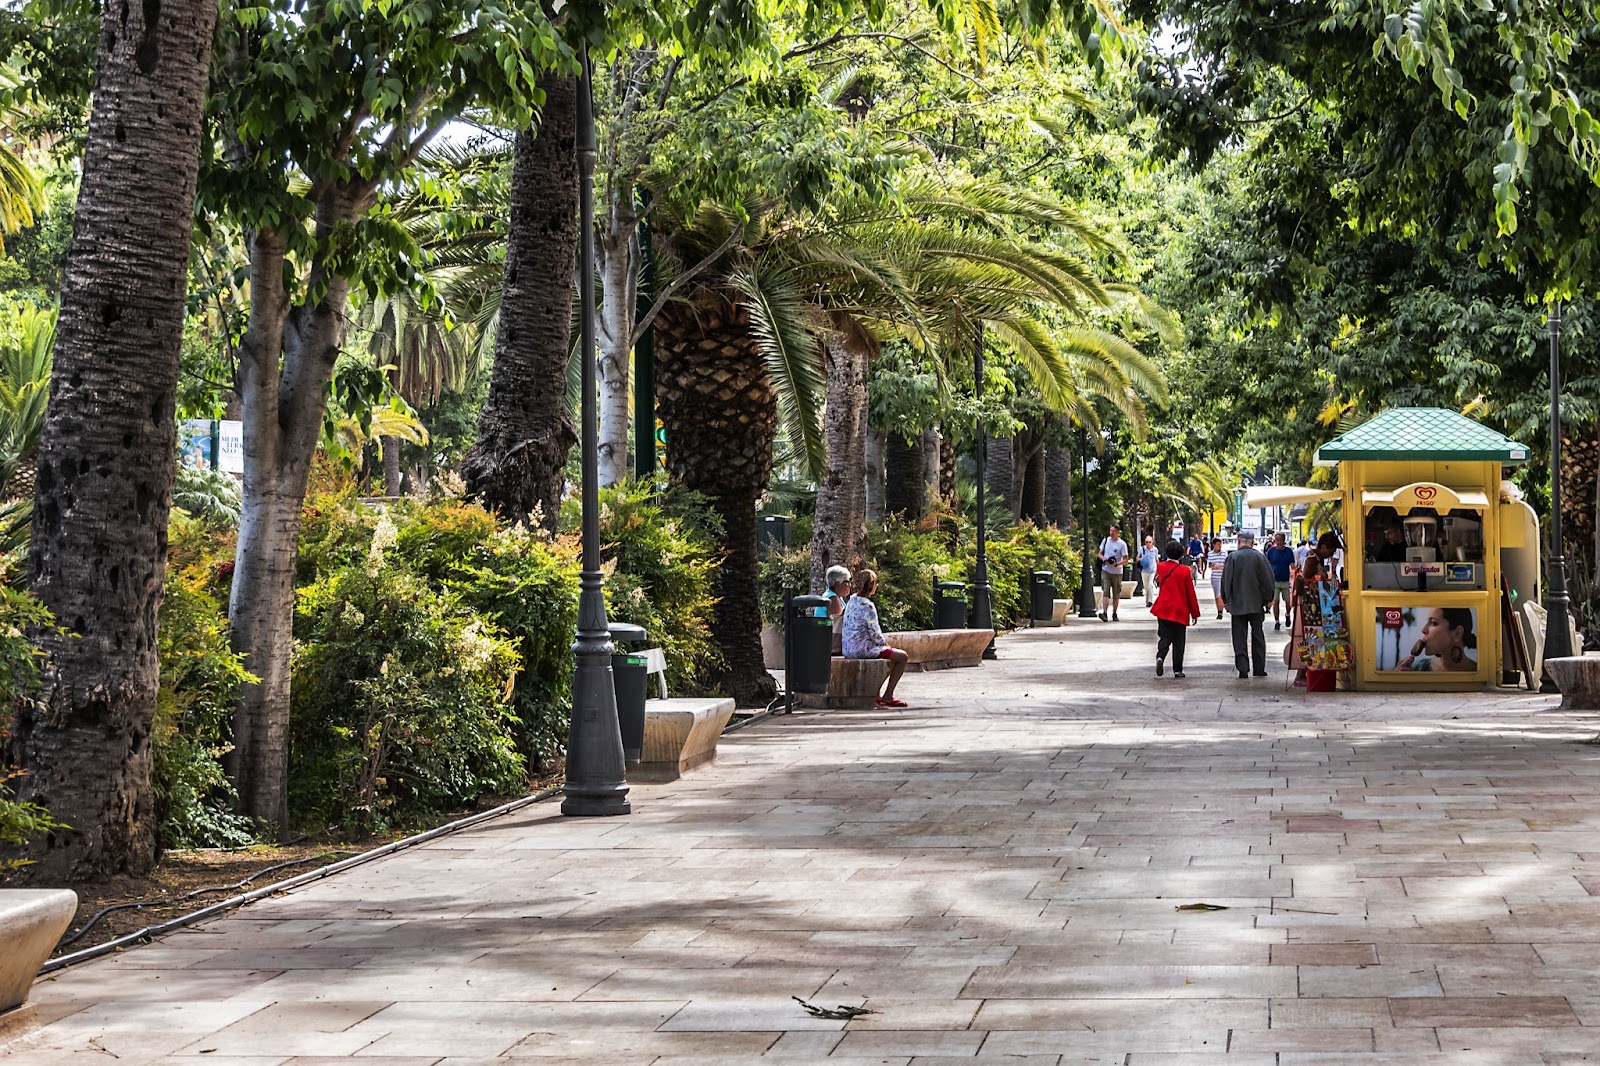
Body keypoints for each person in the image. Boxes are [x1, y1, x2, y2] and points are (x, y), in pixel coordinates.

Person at [841, 568, 910, 707]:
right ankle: (888, 695)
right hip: (862, 648)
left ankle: (877, 693)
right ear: (872, 586)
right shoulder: (868, 606)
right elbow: (875, 633)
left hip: (848, 647)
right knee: (902, 657)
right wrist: (884, 644)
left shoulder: (851, 601)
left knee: (890, 656)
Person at [1291, 553, 1352, 685]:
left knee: (1309, 641)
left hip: (1316, 610)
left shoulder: (1315, 562)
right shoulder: (1312, 562)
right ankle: (1302, 674)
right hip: (1310, 612)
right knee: (1307, 641)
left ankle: (1303, 674)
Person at [1221, 530, 1276, 678]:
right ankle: (1259, 668)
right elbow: (1268, 580)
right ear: (1252, 542)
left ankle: (1243, 668)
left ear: (1239, 542)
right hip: (1257, 604)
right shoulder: (1260, 557)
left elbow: (1226, 580)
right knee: (1258, 634)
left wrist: (1226, 600)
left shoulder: (1232, 557)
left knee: (1239, 636)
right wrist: (1269, 599)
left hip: (1237, 604)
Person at [1151, 540, 1200, 678]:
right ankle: (1177, 670)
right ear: (1181, 554)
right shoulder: (1185, 571)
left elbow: (1158, 581)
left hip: (1164, 607)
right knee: (1179, 640)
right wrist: (1194, 612)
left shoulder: (1161, 567)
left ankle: (1160, 656)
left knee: (1165, 636)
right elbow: (1190, 593)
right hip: (1180, 609)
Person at [1398, 607, 1478, 671]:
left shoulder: (1480, 672)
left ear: (1457, 633)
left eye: (1433, 623)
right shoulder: (1417, 668)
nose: (1423, 629)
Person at [1264, 532, 1297, 632]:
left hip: (1285, 580)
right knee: (1276, 601)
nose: (1278, 542)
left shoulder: (1289, 551)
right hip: (1274, 581)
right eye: (1276, 540)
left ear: (1284, 541)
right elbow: (1266, 564)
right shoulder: (1271, 551)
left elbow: (1292, 566)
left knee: (1288, 602)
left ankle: (1287, 614)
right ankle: (1277, 621)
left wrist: (1293, 576)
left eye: (1280, 540)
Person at [1097, 524, 1130, 622]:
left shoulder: (1122, 544)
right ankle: (1105, 613)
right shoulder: (1106, 541)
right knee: (1106, 591)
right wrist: (1104, 559)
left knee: (1116, 594)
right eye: (1110, 530)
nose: (1112, 533)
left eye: (1114, 531)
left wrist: (1117, 563)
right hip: (1106, 570)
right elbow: (1099, 553)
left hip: (1117, 572)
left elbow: (1126, 560)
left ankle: (1114, 613)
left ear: (1118, 532)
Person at [822, 565, 851, 654]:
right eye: (847, 582)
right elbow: (838, 625)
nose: (850, 585)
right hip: (829, 645)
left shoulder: (837, 597)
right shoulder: (833, 599)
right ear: (838, 584)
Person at [1205, 537, 1229, 619]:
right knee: (1217, 595)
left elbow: (1227, 565)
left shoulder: (1224, 554)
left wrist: (1220, 566)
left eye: (1220, 544)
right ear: (1214, 545)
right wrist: (1212, 566)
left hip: (1222, 576)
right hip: (1214, 577)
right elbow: (1210, 565)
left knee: (1220, 594)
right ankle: (1220, 609)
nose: (1220, 546)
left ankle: (1221, 611)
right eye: (1218, 544)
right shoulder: (1210, 554)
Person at [1138, 535, 1160, 607]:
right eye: (1146, 542)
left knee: (1150, 585)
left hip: (1152, 570)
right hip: (1144, 570)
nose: (1148, 543)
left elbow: (1157, 560)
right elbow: (1137, 558)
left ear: (1152, 542)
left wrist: (1158, 570)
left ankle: (1150, 600)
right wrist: (1141, 560)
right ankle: (1147, 601)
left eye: (1149, 542)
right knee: (1146, 586)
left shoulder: (1155, 550)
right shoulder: (1142, 549)